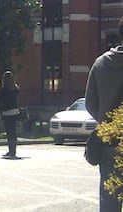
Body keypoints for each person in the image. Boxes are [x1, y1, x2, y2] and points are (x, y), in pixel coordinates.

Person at [85, 17, 123, 212]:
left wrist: (105, 120)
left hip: (109, 140)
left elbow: (90, 102)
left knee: (109, 199)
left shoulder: (100, 63)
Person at [0, 71, 20, 158]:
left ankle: (10, 150)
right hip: (15, 111)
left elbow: (0, 101)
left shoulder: (4, 89)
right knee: (13, 131)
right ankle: (13, 150)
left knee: (9, 131)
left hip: (6, 112)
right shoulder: (16, 88)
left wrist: (0, 111)